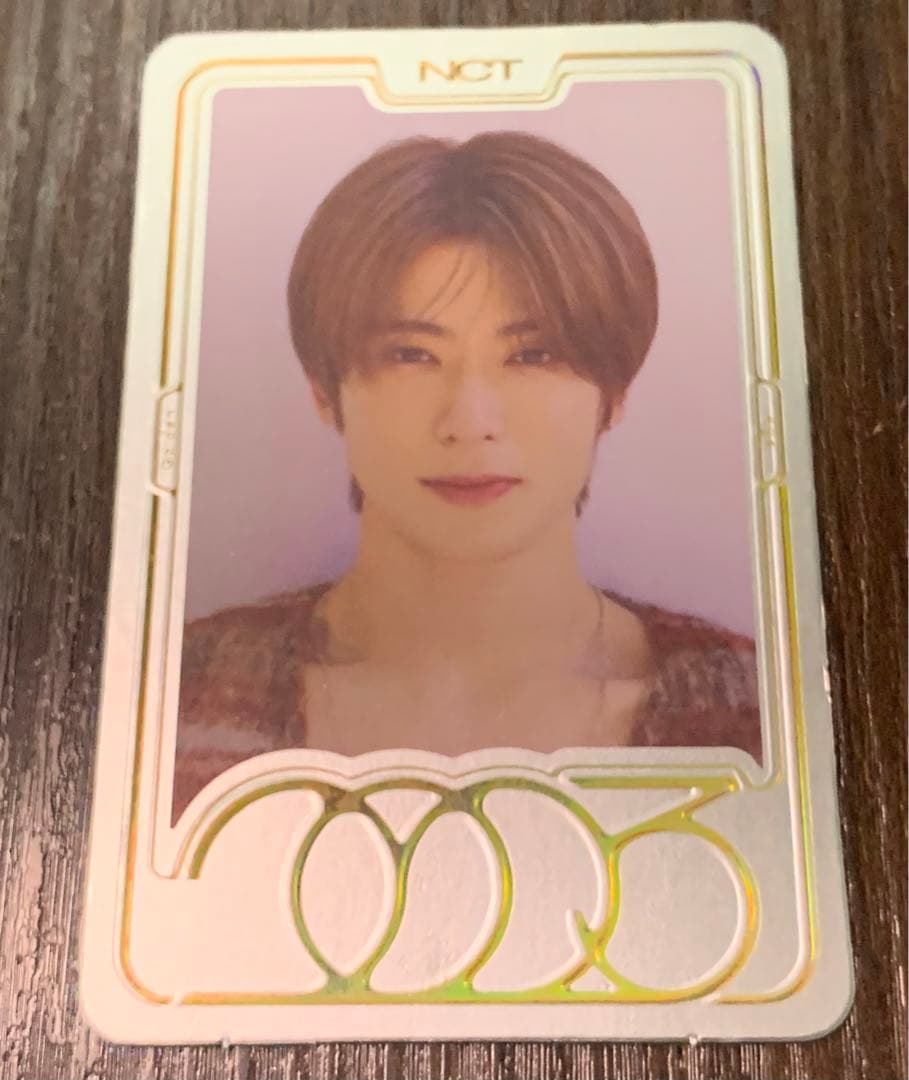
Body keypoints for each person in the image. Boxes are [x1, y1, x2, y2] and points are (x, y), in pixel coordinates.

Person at [173, 131, 760, 820]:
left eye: (533, 355)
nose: (470, 421)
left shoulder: (754, 711)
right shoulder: (180, 691)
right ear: (325, 392)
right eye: (411, 355)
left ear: (615, 391)